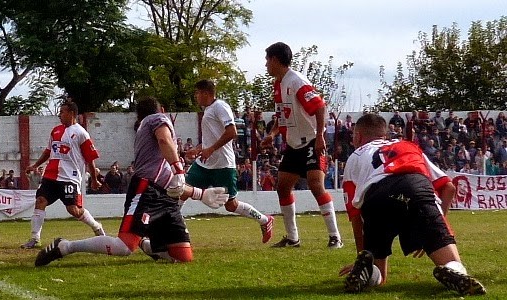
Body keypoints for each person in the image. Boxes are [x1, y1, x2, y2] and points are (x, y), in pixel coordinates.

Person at [34, 97, 229, 266]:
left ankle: (145, 243)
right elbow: (164, 142)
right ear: (160, 111)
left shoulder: (147, 134)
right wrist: (179, 168)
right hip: (146, 190)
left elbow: (170, 183)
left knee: (183, 256)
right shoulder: (157, 119)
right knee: (123, 247)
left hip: (163, 197)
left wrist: (200, 194)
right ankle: (66, 246)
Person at [339, 113, 485, 296]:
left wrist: (363, 255)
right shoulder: (407, 146)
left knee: (380, 276)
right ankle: (453, 270)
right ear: (384, 134)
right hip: (414, 187)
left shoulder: (355, 156)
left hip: (376, 196)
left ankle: (368, 272)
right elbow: (448, 188)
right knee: (452, 262)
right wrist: (433, 227)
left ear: (358, 136)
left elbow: (355, 215)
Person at [261, 42, 343, 248]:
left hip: (311, 142)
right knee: (283, 187)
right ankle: (292, 238)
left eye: (267, 60)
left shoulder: (296, 81)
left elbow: (320, 107)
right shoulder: (278, 85)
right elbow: (283, 116)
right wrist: (272, 134)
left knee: (316, 185)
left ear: (275, 59)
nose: (265, 65)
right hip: (293, 144)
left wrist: (320, 137)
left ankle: (335, 236)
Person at [183, 79, 274, 244]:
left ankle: (264, 220)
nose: (196, 96)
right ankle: (176, 233)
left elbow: (231, 132)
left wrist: (211, 149)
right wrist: (199, 149)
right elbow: (212, 136)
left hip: (223, 165)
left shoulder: (220, 107)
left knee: (230, 205)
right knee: (182, 191)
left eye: (197, 93)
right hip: (204, 164)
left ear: (205, 93)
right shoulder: (209, 109)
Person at [21, 101, 106, 249]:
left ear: (71, 113)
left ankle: (96, 226)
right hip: (51, 175)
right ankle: (35, 238)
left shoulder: (81, 133)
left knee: (73, 210)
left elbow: (90, 159)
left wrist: (93, 179)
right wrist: (35, 165)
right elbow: (49, 151)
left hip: (69, 177)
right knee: (40, 200)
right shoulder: (55, 131)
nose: (59, 115)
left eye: (62, 112)